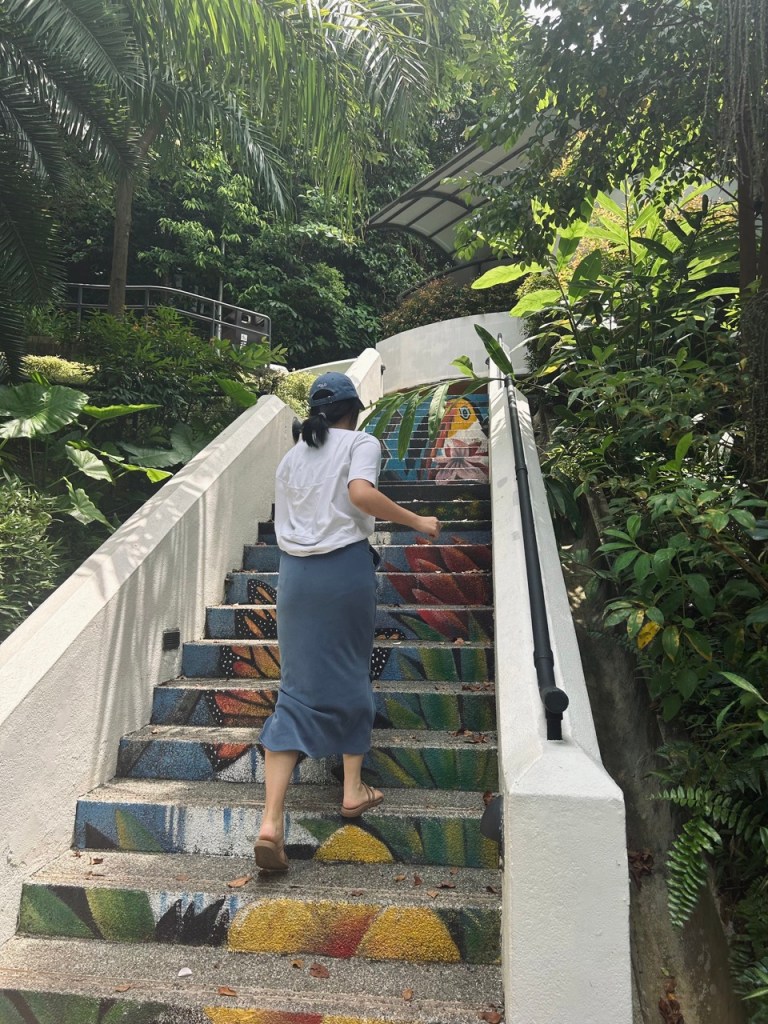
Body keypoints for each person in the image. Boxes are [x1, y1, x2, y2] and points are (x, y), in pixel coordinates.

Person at [253, 371, 441, 871]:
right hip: (342, 572)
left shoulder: (292, 457)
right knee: (353, 670)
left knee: (296, 687)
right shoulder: (361, 442)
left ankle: (271, 822)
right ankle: (352, 789)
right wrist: (418, 521)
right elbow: (360, 494)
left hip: (294, 577)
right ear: (353, 411)